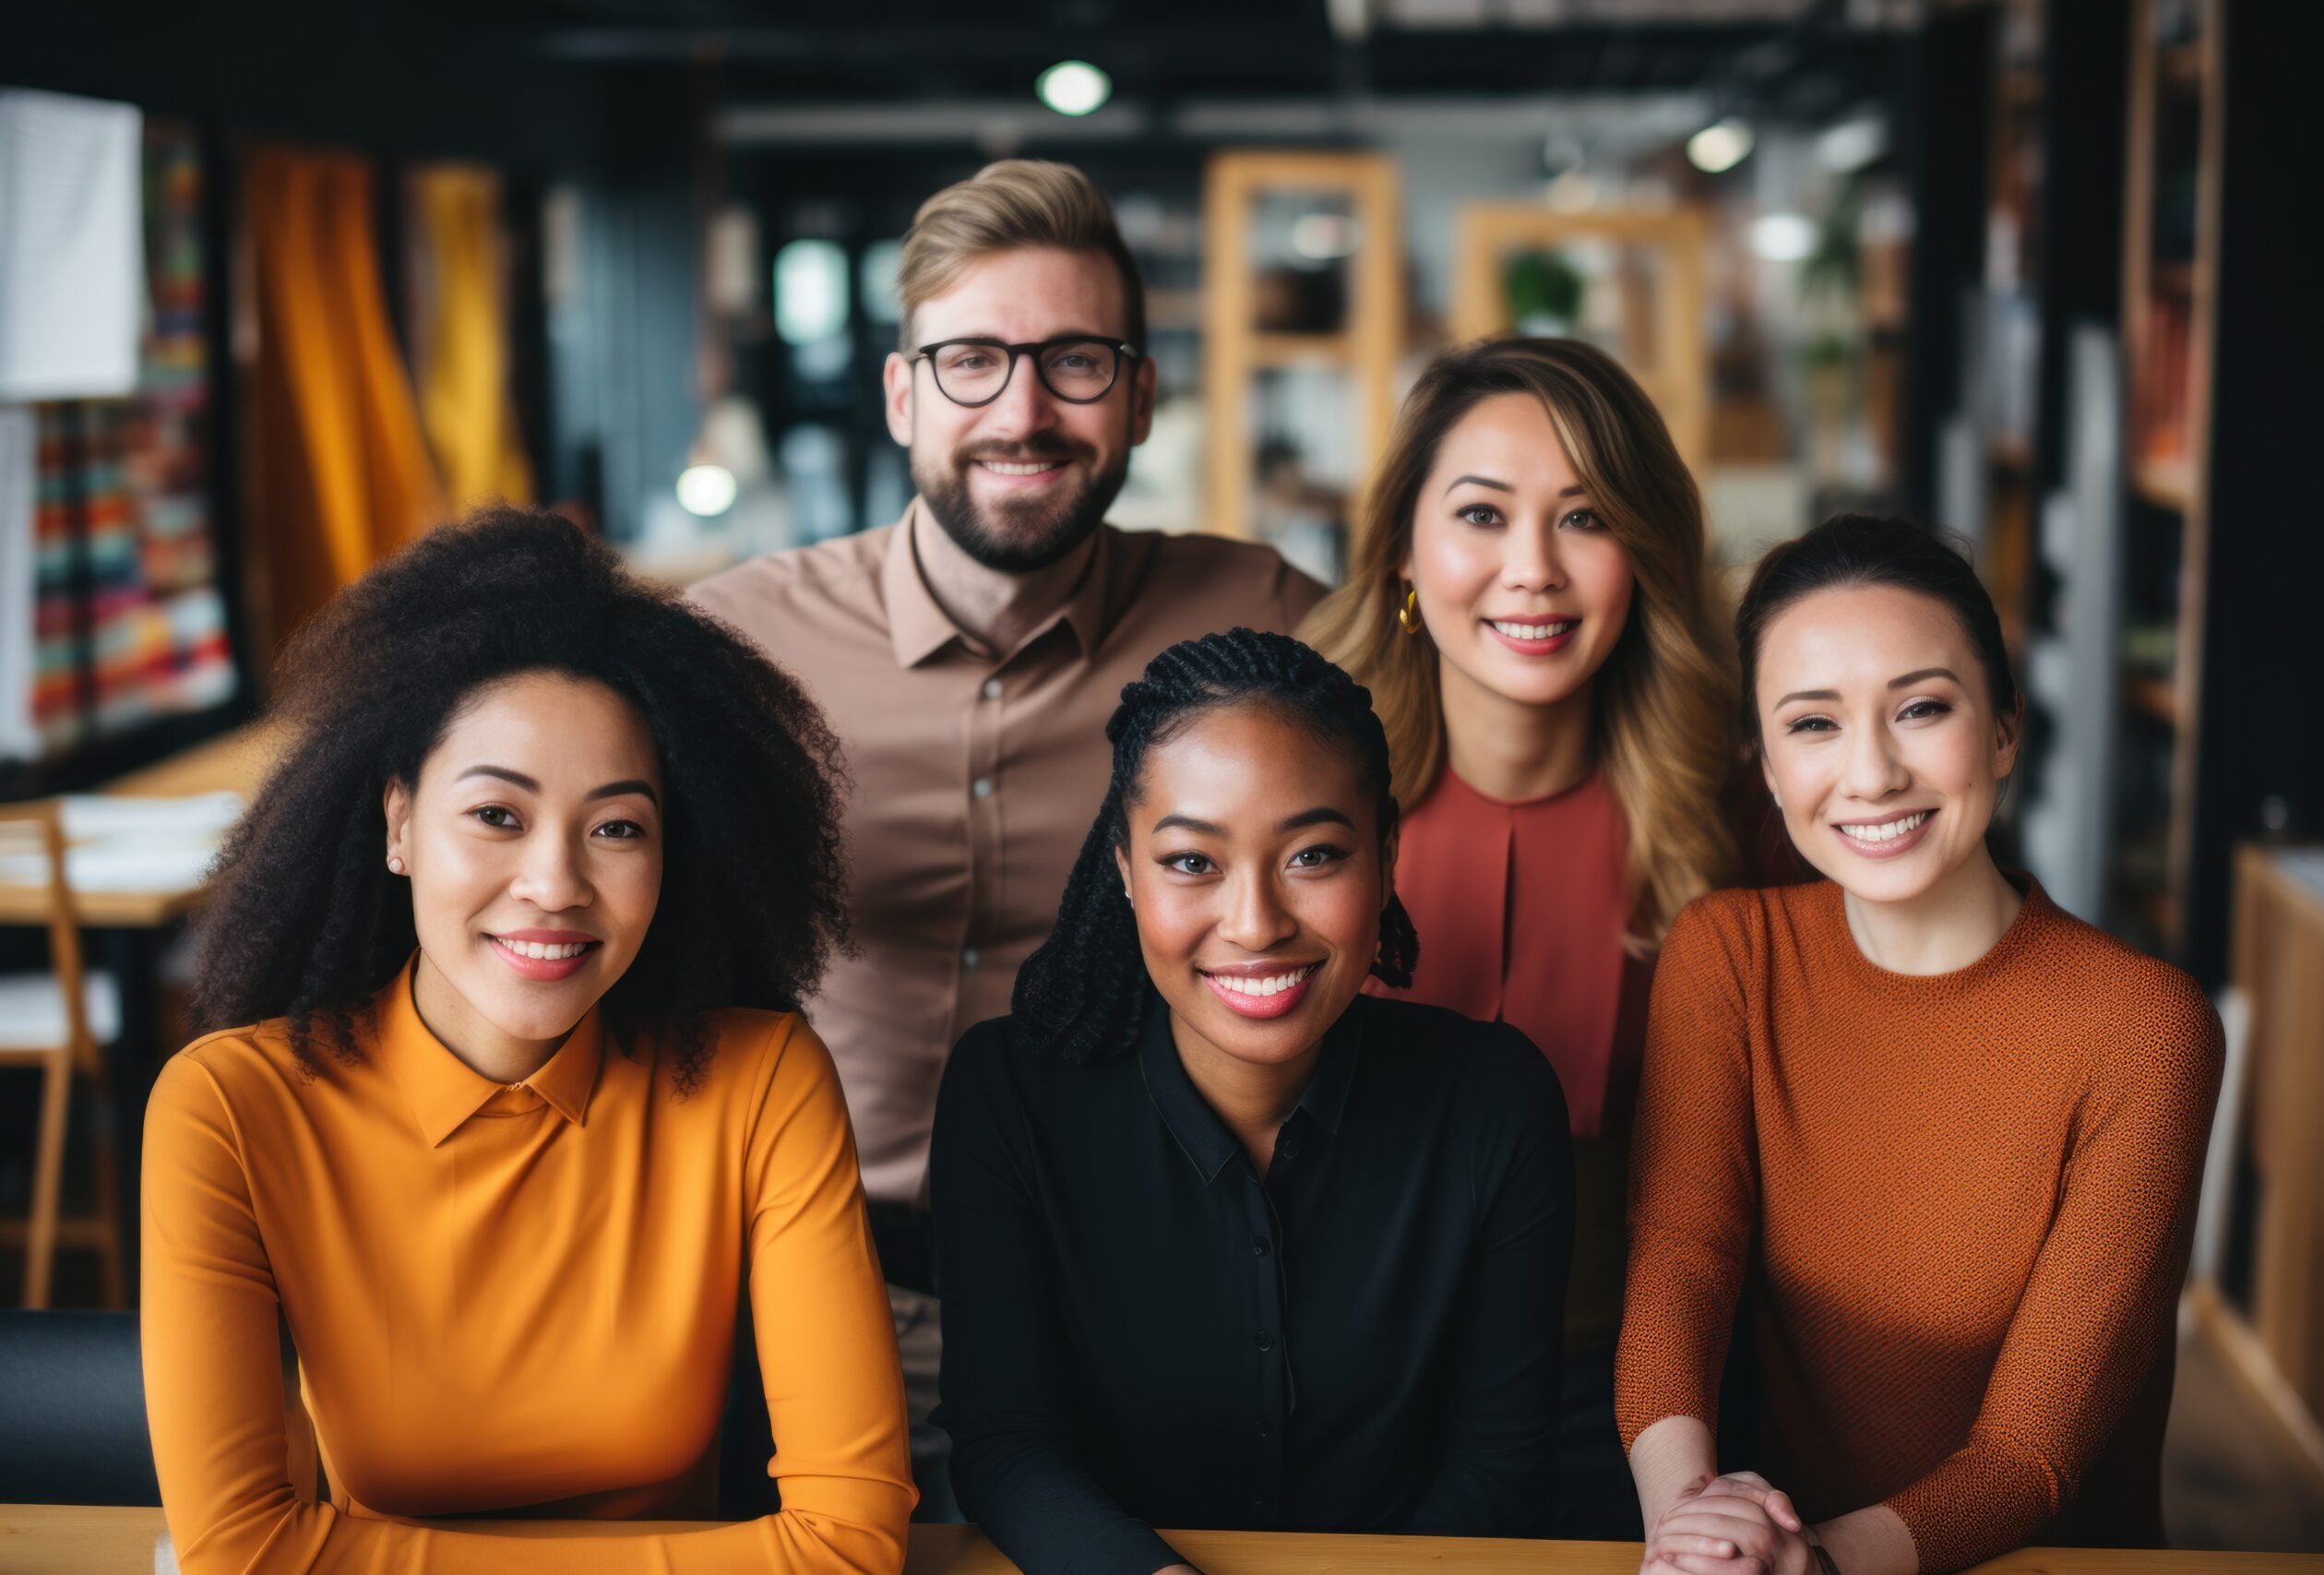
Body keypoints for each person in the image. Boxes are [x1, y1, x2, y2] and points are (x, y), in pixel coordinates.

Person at [144, 511, 915, 1573]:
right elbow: (239, 1550)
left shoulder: (761, 1081)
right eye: (497, 816)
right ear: (399, 824)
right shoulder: (230, 1108)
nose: (556, 885)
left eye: (616, 828)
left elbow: (849, 1542)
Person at [690, 161, 1324, 1298]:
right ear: (901, 397)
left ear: (1139, 397)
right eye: (970, 363)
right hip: (811, 1285)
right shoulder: (733, 648)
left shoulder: (1263, 618)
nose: (1022, 416)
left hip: (1145, 1288)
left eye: (1074, 363)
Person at [1618, 515, 2224, 1575]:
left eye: (1922, 709)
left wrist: (1812, 1562)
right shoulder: (1726, 955)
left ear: (2001, 732)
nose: (1872, 772)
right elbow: (1682, 1263)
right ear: (1762, 765)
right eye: (1813, 725)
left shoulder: (2143, 1028)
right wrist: (1689, 1529)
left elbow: (2031, 1453)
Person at [930, 629, 1575, 1575]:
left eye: (1312, 856)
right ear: (1123, 869)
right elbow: (1006, 1447)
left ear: (1386, 852)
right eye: (1192, 863)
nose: (1256, 924)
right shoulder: (1007, 1095)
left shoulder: (1494, 1101)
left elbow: (1501, 1463)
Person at [1298, 336, 1751, 1536]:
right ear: (1404, 546)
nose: (1532, 571)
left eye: (1586, 517)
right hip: (1330, 1384)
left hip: (1642, 1401)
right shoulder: (1288, 786)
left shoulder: (1742, 814)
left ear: (1645, 553)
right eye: (1482, 515)